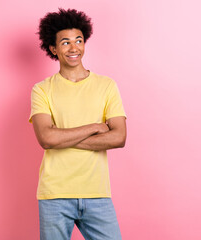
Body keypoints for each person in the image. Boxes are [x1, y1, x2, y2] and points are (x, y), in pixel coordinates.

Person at [28, 8, 127, 240]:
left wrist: (62, 139)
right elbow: (47, 139)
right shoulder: (42, 89)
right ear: (53, 49)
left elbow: (119, 137)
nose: (74, 48)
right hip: (55, 194)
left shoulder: (107, 86)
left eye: (78, 40)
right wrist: (94, 127)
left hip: (97, 192)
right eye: (65, 42)